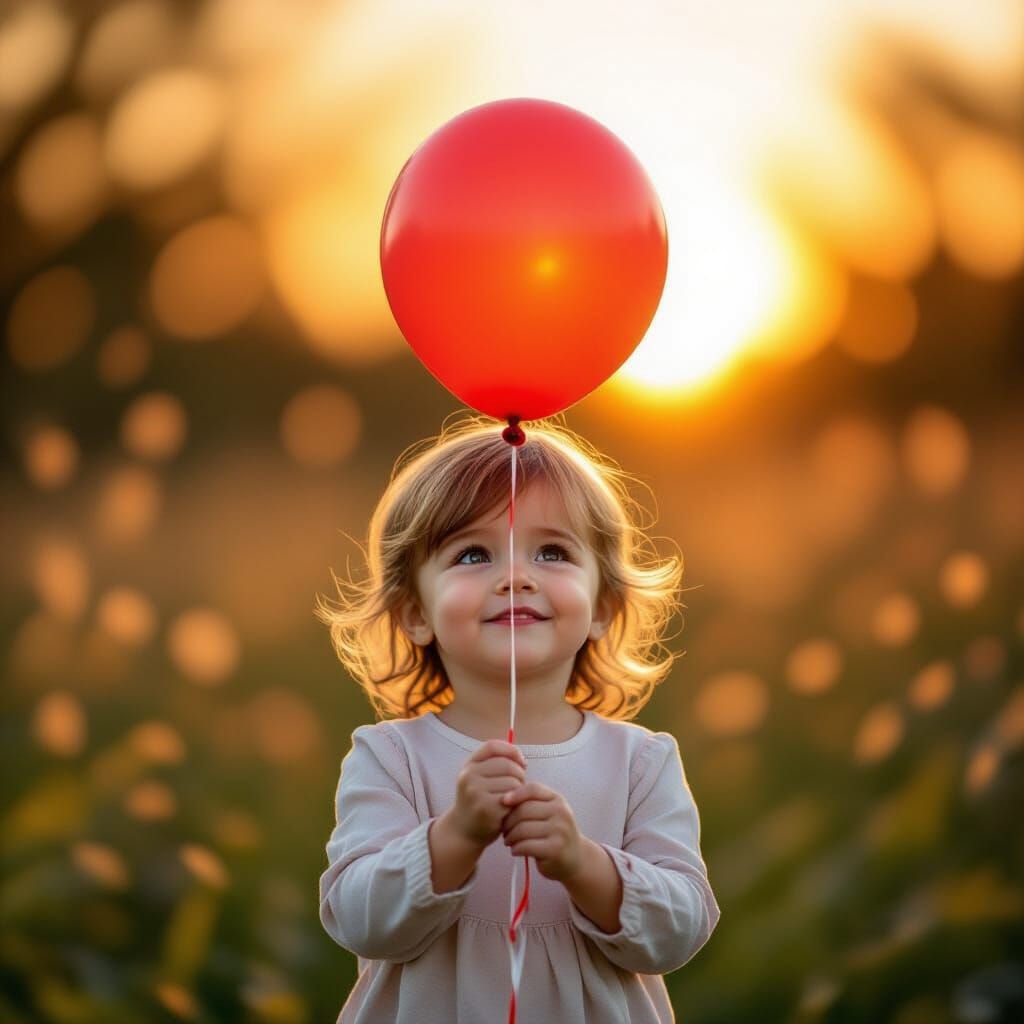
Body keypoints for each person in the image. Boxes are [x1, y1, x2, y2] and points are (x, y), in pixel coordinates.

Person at [315, 415, 720, 1023]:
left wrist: (584, 863)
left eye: (552, 551)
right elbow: (359, 919)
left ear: (604, 606)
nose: (515, 576)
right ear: (414, 613)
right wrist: (454, 835)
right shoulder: (390, 757)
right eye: (472, 554)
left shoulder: (639, 762)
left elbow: (682, 927)